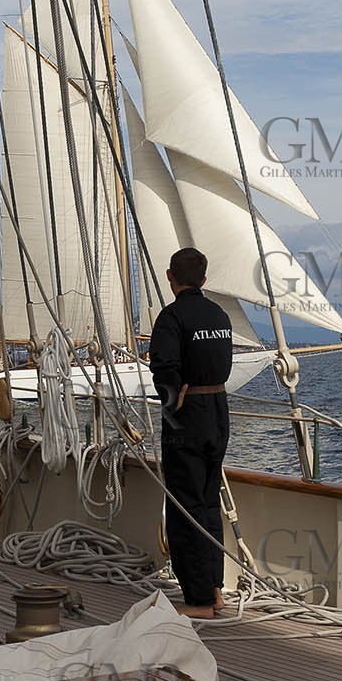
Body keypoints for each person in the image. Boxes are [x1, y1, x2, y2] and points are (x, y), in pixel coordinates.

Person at [149, 247, 232, 618]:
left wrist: (172, 405)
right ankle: (215, 589)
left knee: (185, 505)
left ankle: (198, 601)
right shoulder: (219, 315)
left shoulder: (172, 317)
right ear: (204, 277)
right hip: (218, 411)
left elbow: (165, 367)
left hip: (187, 415)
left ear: (171, 276)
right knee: (209, 500)